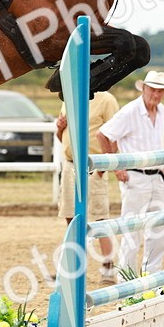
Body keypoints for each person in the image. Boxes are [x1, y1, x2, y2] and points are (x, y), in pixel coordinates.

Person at [97, 70, 164, 278]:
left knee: (159, 230)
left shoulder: (162, 110)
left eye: (160, 91)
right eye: (153, 90)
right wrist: (116, 165)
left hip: (157, 176)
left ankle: (152, 276)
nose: (156, 95)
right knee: (132, 231)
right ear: (144, 89)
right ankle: (126, 280)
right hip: (135, 176)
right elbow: (103, 134)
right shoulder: (130, 111)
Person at [56, 91, 120, 285]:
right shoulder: (71, 96)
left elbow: (115, 136)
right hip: (70, 163)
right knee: (70, 216)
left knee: (99, 216)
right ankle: (73, 266)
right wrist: (59, 129)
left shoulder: (106, 100)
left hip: (93, 166)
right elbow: (62, 137)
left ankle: (108, 267)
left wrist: (103, 166)